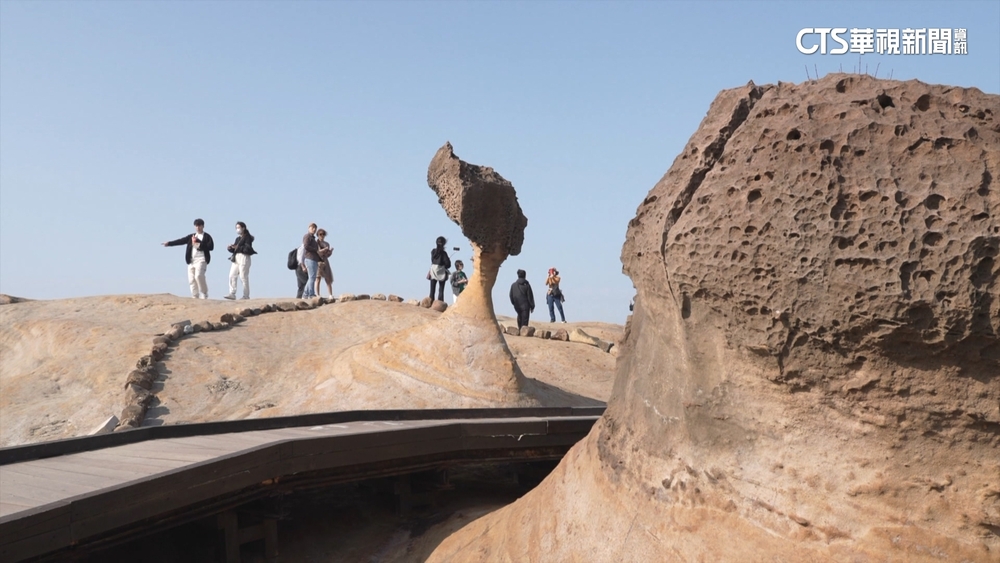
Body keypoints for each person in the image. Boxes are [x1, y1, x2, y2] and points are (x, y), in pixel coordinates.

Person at [163, 218, 215, 299]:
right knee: (191, 279)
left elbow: (211, 247)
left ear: (203, 226)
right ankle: (195, 295)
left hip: (201, 260)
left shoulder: (207, 236)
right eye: (196, 226)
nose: (198, 227)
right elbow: (181, 241)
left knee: (199, 276)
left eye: (199, 226)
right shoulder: (191, 236)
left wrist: (197, 242)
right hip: (191, 261)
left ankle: (204, 293)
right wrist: (169, 243)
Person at [224, 222, 256, 300]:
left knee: (243, 277)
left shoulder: (248, 237)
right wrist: (231, 248)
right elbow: (235, 249)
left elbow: (247, 249)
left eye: (238, 227)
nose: (237, 229)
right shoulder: (238, 239)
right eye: (236, 228)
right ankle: (232, 293)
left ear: (243, 228)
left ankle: (246, 295)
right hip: (236, 257)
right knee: (232, 275)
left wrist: (237, 247)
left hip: (244, 257)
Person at [428, 236, 450, 302]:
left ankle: (430, 301)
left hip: (433, 270)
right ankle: (440, 303)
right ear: (444, 244)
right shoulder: (444, 253)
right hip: (441, 271)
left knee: (432, 289)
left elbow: (432, 260)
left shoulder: (433, 251)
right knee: (441, 289)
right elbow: (448, 264)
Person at [301, 223, 320, 299]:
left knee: (312, 277)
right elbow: (306, 246)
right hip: (310, 258)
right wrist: (315, 250)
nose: (314, 229)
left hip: (314, 259)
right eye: (312, 228)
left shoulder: (313, 238)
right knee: (312, 277)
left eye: (315, 228)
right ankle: (311, 294)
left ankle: (305, 294)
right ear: (309, 228)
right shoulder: (307, 236)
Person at [315, 228, 334, 298]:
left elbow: (327, 255)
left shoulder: (327, 243)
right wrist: (324, 250)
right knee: (318, 278)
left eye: (323, 234)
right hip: (318, 261)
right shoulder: (316, 242)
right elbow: (318, 252)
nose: (322, 236)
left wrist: (330, 252)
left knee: (328, 278)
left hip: (325, 260)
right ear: (318, 235)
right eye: (320, 234)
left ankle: (330, 294)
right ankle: (317, 294)